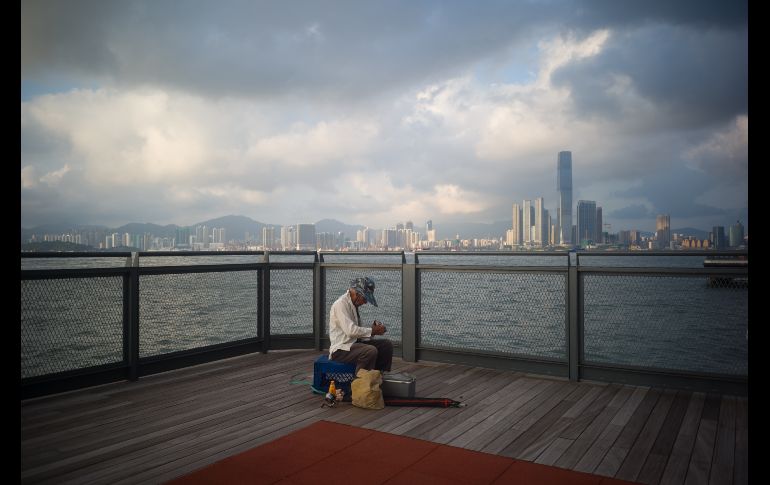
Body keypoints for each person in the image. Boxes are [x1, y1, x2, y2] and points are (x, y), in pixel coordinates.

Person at [329, 277, 393, 374]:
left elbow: (357, 335)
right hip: (341, 350)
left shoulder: (353, 305)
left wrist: (372, 331)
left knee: (386, 345)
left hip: (354, 345)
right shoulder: (340, 304)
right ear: (356, 294)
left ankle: (379, 377)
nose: (365, 302)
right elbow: (350, 331)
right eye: (365, 298)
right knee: (370, 351)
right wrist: (372, 331)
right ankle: (361, 383)